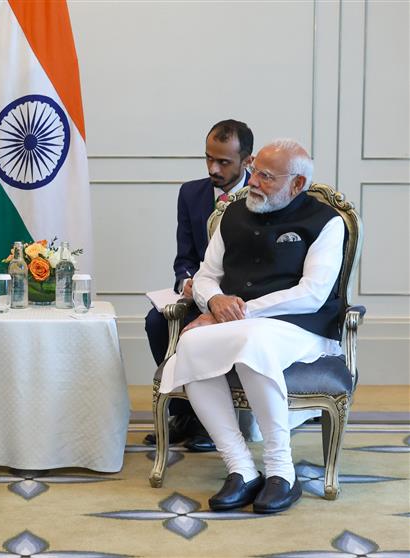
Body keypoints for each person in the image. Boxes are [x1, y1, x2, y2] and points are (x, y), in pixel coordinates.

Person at [159, 139, 345, 514]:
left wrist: (237, 312)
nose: (254, 182)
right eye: (255, 170)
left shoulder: (326, 222)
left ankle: (281, 472)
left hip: (301, 327)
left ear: (297, 184)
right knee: (192, 343)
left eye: (266, 176)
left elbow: (312, 294)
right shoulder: (233, 213)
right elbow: (206, 275)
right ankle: (241, 468)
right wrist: (214, 301)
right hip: (241, 326)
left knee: (252, 339)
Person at [144, 119, 253, 451]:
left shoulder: (263, 194)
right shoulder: (190, 194)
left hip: (243, 301)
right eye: (208, 158)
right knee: (156, 323)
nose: (213, 168)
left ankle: (214, 421)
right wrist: (188, 281)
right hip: (200, 295)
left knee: (211, 334)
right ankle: (185, 415)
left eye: (223, 162)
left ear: (247, 160)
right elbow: (184, 258)